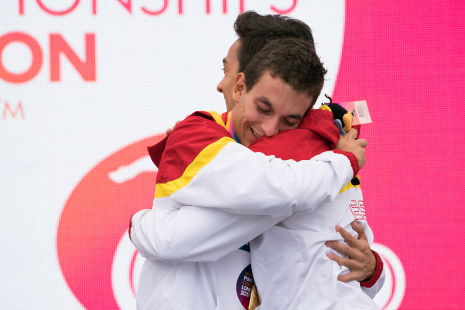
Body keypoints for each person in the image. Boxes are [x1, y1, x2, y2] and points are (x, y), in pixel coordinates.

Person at [130, 37, 378, 310]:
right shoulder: (202, 137)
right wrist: (344, 162)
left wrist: (372, 269)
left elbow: (339, 264)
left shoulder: (304, 167)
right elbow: (174, 241)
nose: (271, 128)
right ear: (240, 86)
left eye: (289, 120)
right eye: (263, 108)